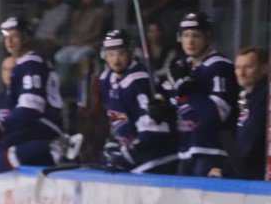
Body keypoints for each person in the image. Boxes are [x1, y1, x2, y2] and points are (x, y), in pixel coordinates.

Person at [0, 16, 80, 173]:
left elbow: (31, 108)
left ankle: (58, 145)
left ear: (26, 38)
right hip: (37, 125)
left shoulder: (30, 62)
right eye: (6, 36)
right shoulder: (26, 63)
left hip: (44, 124)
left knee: (0, 159)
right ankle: (52, 152)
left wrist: (1, 126)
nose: (9, 41)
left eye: (15, 36)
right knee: (1, 157)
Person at [148, 12, 238, 177]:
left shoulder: (219, 66)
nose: (190, 41)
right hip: (184, 151)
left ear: (207, 37)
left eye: (195, 35)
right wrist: (160, 105)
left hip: (211, 152)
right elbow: (172, 100)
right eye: (186, 35)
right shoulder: (181, 66)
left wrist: (189, 90)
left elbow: (216, 115)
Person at [98, 30, 179, 174]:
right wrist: (116, 140)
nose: (116, 60)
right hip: (137, 152)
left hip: (157, 156)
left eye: (120, 54)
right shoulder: (106, 79)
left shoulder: (139, 79)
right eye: (111, 54)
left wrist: (133, 147)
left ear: (130, 53)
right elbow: (118, 115)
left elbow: (154, 126)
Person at [209, 46, 267, 180]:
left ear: (265, 68)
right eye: (238, 67)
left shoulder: (263, 98)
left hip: (256, 182)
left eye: (248, 67)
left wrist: (227, 172)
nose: (241, 73)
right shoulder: (251, 98)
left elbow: (250, 141)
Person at [55, 0, 106, 67]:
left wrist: (83, 41)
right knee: (59, 56)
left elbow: (97, 33)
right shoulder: (77, 13)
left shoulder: (99, 13)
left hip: (90, 44)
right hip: (75, 44)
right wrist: (72, 40)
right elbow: (72, 30)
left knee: (76, 57)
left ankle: (78, 77)